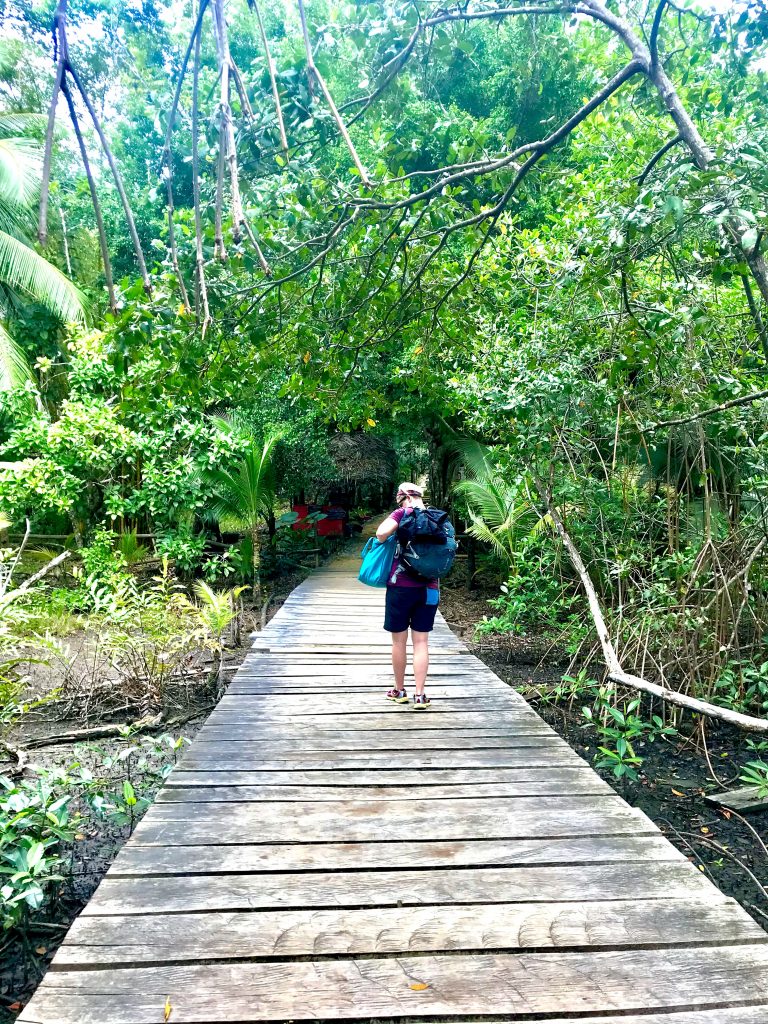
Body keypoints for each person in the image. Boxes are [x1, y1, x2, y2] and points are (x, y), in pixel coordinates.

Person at [376, 483, 438, 710]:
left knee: (398, 641)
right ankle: (420, 696)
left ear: (404, 498)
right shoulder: (436, 517)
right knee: (421, 642)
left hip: (400, 586)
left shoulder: (402, 513)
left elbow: (381, 533)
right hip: (430, 589)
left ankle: (399, 690)